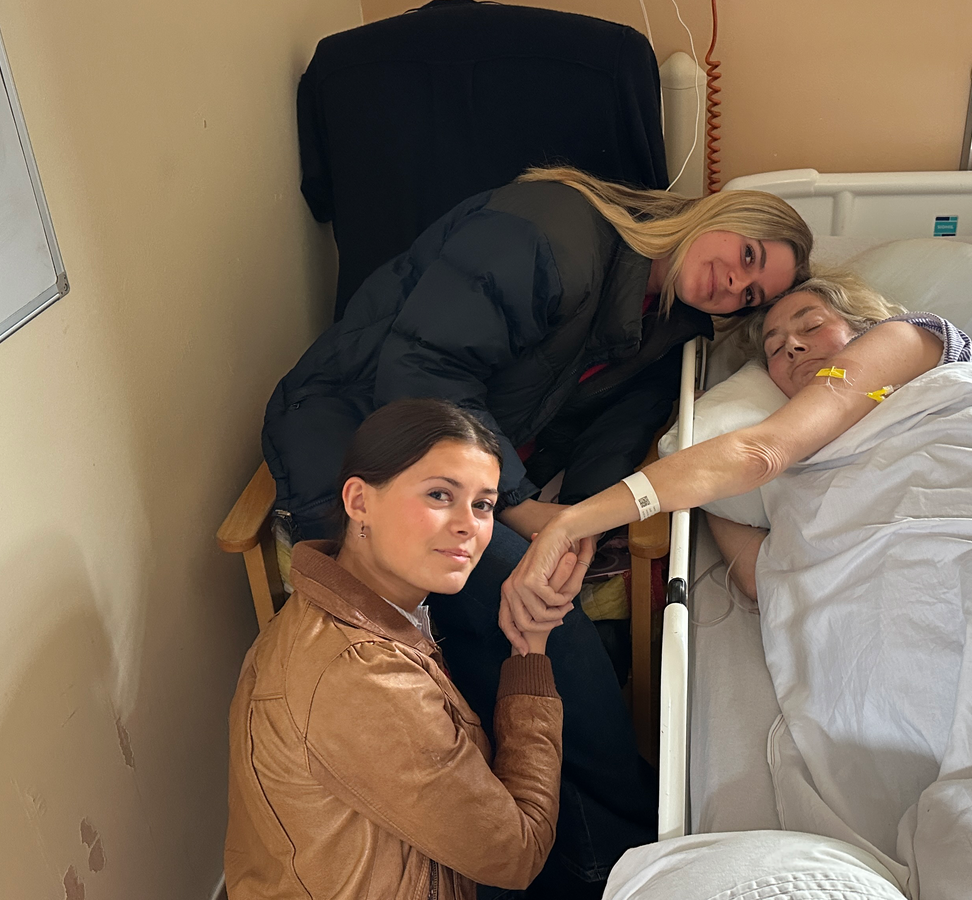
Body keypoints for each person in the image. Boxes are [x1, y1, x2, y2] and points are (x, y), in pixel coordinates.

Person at [261, 166, 814, 888]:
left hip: (467, 453)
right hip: (359, 430)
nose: (734, 285)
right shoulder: (555, 232)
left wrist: (579, 522)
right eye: (747, 255)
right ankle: (616, 859)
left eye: (752, 295)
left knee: (542, 609)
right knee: (542, 629)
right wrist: (521, 507)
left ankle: (593, 856)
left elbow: (611, 429)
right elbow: (419, 368)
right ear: (716, 213)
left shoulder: (666, 322)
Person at [500, 271, 972, 647]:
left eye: (812, 326)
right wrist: (708, 483)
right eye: (775, 348)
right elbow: (759, 577)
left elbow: (758, 453)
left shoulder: (907, 339)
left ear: (865, 324)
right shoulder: (807, 449)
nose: (793, 346)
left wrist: (572, 522)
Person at [226, 398, 581, 900]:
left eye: (483, 505)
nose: (469, 525)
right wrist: (530, 657)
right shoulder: (363, 674)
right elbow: (517, 854)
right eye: (440, 494)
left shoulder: (349, 610)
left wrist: (530, 640)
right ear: (359, 501)